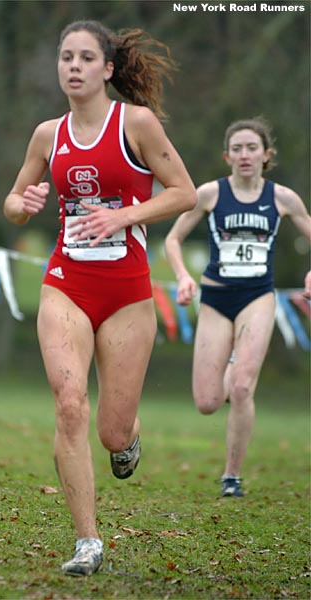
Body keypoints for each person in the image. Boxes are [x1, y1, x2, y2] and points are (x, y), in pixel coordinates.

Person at [3, 20, 196, 576]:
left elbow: (183, 191)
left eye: (87, 58)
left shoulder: (135, 123)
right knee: (69, 405)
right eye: (66, 57)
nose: (74, 66)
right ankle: (88, 541)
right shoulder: (47, 134)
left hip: (129, 292)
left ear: (108, 69)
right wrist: (26, 202)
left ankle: (127, 438)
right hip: (66, 283)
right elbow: (13, 202)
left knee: (111, 429)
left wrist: (125, 215)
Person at [165, 117, 311, 498]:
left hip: (258, 297)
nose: (245, 155)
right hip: (215, 298)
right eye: (238, 148)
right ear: (227, 155)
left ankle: (232, 475)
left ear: (266, 155)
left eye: (252, 148)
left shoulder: (283, 199)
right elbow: (173, 239)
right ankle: (231, 367)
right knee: (208, 402)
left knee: (243, 388)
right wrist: (182, 276)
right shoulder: (210, 194)